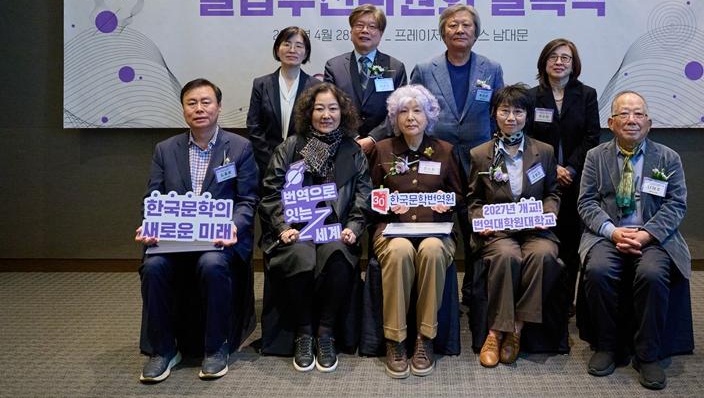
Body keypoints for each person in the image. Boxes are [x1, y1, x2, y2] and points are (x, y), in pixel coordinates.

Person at [136, 78, 259, 383]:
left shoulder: (240, 147)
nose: (199, 109)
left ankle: (216, 347)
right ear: (183, 110)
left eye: (206, 102)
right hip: (174, 242)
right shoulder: (165, 150)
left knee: (212, 263)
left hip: (219, 241)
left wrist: (234, 226)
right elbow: (153, 197)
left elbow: (247, 200)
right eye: (192, 103)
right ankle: (163, 350)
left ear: (218, 107)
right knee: (153, 267)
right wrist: (149, 224)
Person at [578, 91, 690, 390]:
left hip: (654, 236)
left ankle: (648, 354)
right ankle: (607, 346)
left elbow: (676, 205)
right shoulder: (595, 156)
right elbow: (586, 202)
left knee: (652, 274)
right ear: (611, 122)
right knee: (598, 271)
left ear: (648, 122)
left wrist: (646, 234)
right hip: (608, 233)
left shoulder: (668, 158)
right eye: (624, 114)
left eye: (638, 114)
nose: (632, 120)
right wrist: (612, 231)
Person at [259, 83, 372, 373]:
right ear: (309, 112)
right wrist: (282, 226)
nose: (326, 115)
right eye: (319, 108)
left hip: (335, 230)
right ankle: (304, 332)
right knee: (302, 255)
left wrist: (354, 227)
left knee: (336, 253)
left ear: (342, 113)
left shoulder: (352, 150)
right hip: (296, 231)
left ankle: (325, 332)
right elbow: (271, 192)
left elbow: (363, 194)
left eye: (333, 108)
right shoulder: (290, 147)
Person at [410, 3, 504, 304]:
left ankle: (474, 294)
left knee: (477, 226)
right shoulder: (425, 69)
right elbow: (413, 113)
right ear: (442, 32)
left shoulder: (491, 68)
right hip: (436, 160)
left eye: (466, 25)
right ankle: (439, 295)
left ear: (476, 33)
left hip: (480, 160)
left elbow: (498, 113)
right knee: (437, 225)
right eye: (452, 25)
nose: (459, 30)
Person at [368, 84, 463, 378]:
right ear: (395, 118)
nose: (410, 117)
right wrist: (386, 206)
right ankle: (395, 340)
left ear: (429, 115)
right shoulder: (383, 150)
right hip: (392, 232)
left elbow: (459, 197)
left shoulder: (445, 151)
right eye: (403, 111)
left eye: (417, 110)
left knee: (433, 249)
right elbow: (370, 196)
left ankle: (425, 338)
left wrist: (440, 204)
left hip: (436, 230)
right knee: (399, 251)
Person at [468, 84, 560, 368]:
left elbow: (552, 192)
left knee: (543, 255)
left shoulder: (543, 151)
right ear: (494, 114)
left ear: (527, 115)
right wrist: (480, 220)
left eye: (518, 111)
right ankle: (495, 333)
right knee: (507, 257)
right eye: (505, 110)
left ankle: (516, 329)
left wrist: (548, 213)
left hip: (536, 230)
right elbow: (473, 200)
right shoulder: (480, 154)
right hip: (498, 232)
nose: (511, 117)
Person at [527, 38, 600, 311]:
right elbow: (528, 138)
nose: (559, 62)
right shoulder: (532, 97)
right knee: (543, 239)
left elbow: (592, 136)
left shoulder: (587, 95)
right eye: (553, 57)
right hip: (540, 179)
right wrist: (552, 169)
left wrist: (569, 168)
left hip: (576, 179)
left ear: (574, 64)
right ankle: (544, 298)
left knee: (571, 240)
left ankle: (566, 301)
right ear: (544, 63)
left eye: (565, 58)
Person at [324, 4, 407, 154]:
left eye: (372, 26)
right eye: (359, 25)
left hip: (384, 146)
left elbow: (399, 110)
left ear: (381, 33)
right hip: (343, 145)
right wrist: (352, 136)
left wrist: (373, 138)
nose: (365, 31)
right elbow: (329, 107)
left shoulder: (396, 67)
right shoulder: (334, 67)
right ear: (351, 31)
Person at [246, 26, 322, 184]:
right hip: (266, 164)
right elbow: (254, 126)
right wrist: (270, 162)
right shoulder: (261, 84)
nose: (292, 49)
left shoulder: (316, 87)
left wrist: (302, 164)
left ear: (306, 53)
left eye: (299, 46)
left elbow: (318, 130)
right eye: (286, 44)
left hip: (303, 165)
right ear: (277, 49)